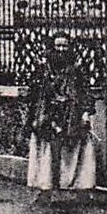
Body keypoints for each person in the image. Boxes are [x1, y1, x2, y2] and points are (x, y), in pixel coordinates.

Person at [25, 33, 97, 202]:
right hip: (48, 114)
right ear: (52, 47)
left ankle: (82, 189)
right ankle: (45, 189)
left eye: (65, 46)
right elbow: (34, 93)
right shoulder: (42, 70)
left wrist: (86, 112)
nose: (61, 50)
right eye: (58, 46)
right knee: (46, 152)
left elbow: (85, 92)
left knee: (79, 151)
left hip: (73, 114)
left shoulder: (77, 70)